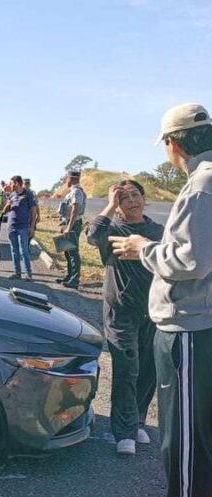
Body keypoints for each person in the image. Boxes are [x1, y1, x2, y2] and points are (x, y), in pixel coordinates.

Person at [110, 103, 212, 497]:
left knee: (186, 442)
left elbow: (191, 260)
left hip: (190, 328)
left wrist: (142, 249)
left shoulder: (203, 183)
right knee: (195, 437)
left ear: (174, 144)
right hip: (195, 326)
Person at [86, 180, 163, 455]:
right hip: (120, 311)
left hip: (153, 310)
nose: (132, 200)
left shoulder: (156, 230)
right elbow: (92, 235)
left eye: (135, 194)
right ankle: (124, 431)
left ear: (144, 198)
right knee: (127, 369)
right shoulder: (113, 228)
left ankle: (137, 420)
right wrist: (108, 204)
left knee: (148, 370)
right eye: (124, 197)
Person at [3, 175, 38, 280]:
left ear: (17, 183)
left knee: (24, 251)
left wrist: (32, 227)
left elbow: (33, 211)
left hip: (23, 227)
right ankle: (17, 273)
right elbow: (4, 211)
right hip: (12, 227)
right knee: (14, 250)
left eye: (11, 183)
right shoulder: (11, 195)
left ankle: (28, 274)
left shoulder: (28, 194)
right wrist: (8, 204)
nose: (10, 185)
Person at [57, 171, 86, 289]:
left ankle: (74, 280)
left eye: (66, 178)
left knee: (73, 252)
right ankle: (69, 276)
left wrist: (69, 227)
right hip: (68, 223)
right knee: (67, 251)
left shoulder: (76, 191)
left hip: (72, 224)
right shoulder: (73, 191)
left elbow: (75, 209)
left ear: (70, 179)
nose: (66, 181)